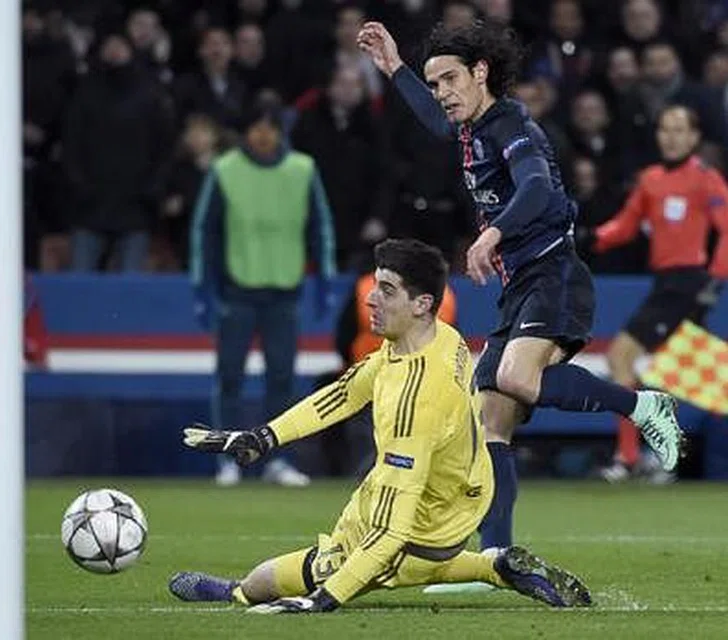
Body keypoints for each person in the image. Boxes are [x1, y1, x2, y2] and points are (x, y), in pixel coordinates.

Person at [355, 20, 684, 560]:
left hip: (553, 275)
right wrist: (394, 67)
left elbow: (534, 186)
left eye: (449, 80)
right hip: (519, 287)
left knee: (514, 377)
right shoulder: (469, 127)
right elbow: (437, 125)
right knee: (491, 423)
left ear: (481, 72)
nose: (442, 94)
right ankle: (497, 558)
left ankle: (642, 405)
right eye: (435, 84)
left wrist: (492, 233)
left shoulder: (513, 127)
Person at [169, 239, 592, 613]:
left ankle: (236, 594)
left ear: (421, 303)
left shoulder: (417, 401)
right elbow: (344, 393)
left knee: (267, 580)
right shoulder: (440, 338)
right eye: (375, 285)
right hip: (456, 492)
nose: (371, 299)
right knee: (420, 560)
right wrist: (265, 437)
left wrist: (325, 597)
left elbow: (393, 532)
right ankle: (495, 565)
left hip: (424, 524)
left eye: (386, 291)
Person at [189, 103, 336, 487]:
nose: (263, 135)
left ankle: (278, 460)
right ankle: (226, 461)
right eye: (256, 127)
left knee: (282, 381)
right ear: (245, 132)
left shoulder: (302, 169)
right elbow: (205, 232)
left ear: (280, 131)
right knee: (229, 378)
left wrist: (324, 279)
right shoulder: (226, 170)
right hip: (237, 290)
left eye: (269, 127)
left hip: (285, 291)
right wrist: (203, 289)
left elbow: (320, 227)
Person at [584, 105, 728, 483]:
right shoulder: (650, 180)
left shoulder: (706, 180)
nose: (671, 137)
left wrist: (714, 280)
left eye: (680, 130)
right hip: (667, 283)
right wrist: (593, 237)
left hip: (687, 284)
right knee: (674, 373)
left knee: (621, 358)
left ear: (695, 137)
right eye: (666, 129)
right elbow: (626, 226)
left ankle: (630, 456)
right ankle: (658, 457)